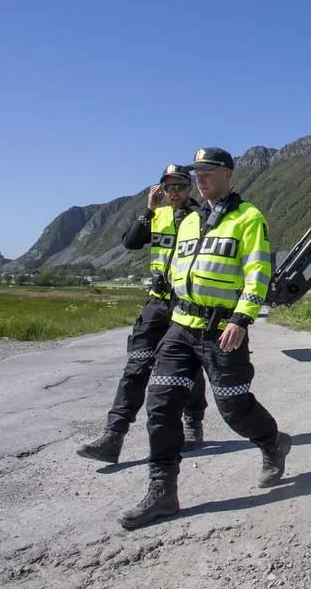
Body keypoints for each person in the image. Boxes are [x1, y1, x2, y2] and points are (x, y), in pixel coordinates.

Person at [118, 147, 291, 530]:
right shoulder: (189, 220)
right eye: (197, 171)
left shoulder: (249, 218)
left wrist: (242, 319)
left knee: (234, 409)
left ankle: (272, 443)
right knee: (161, 404)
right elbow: (175, 265)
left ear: (228, 174)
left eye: (208, 171)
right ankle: (163, 491)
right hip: (181, 325)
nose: (200, 178)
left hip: (222, 329)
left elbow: (258, 272)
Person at [76, 165, 208, 464]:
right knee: (135, 368)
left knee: (189, 367)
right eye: (168, 187)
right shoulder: (156, 214)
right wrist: (148, 210)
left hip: (186, 303)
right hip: (157, 302)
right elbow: (131, 242)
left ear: (191, 189)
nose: (174, 192)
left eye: (180, 186)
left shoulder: (201, 218)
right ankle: (113, 436)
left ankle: (193, 423)